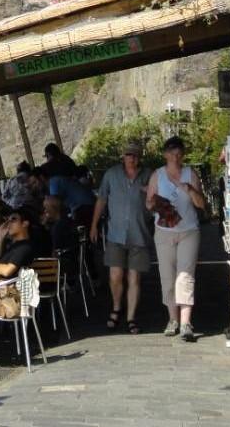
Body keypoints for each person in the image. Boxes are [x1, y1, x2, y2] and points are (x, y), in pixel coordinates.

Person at [146, 136, 206, 342]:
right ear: (165, 154)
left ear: (183, 155)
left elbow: (201, 204)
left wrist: (189, 189)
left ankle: (185, 322)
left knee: (185, 274)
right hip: (164, 231)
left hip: (188, 230)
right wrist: (156, 204)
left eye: (179, 152)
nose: (175, 156)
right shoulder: (157, 175)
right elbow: (148, 203)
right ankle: (172, 319)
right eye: (171, 152)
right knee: (168, 276)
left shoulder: (191, 174)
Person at [89, 142, 153, 334]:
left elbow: (159, 198)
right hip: (116, 233)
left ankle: (131, 317)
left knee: (134, 277)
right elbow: (102, 199)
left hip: (139, 233)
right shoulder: (111, 174)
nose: (131, 158)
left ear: (139, 156)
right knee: (115, 275)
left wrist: (149, 192)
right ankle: (117, 307)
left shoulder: (149, 175)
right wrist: (94, 225)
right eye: (128, 155)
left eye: (135, 155)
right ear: (123, 156)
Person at [0, 208, 37, 278]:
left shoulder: (25, 247)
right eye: (7, 220)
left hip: (7, 286)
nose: (8, 223)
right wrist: (1, 237)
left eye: (13, 219)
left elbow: (7, 271)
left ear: (25, 224)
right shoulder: (14, 245)